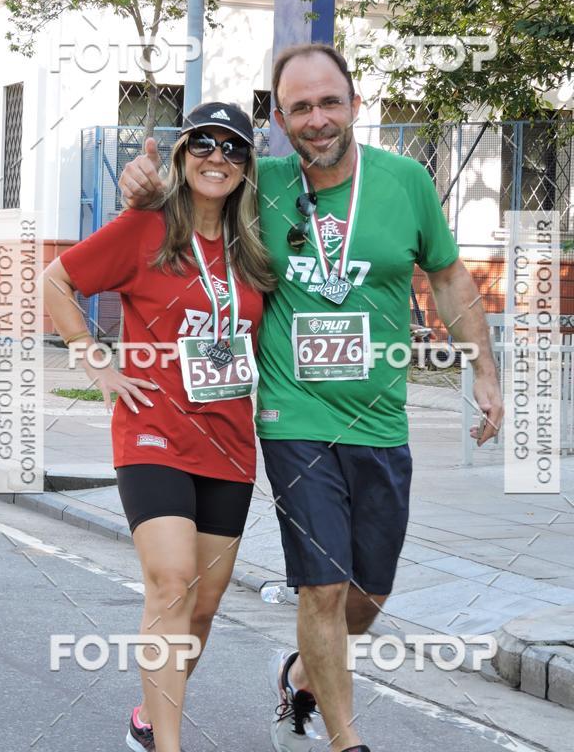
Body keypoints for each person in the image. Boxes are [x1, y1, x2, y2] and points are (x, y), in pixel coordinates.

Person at [119, 44, 504, 752]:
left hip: (381, 422)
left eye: (329, 102)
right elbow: (180, 188)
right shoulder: (255, 183)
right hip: (292, 416)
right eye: (300, 107)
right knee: (321, 588)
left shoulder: (407, 182)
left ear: (355, 105)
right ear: (281, 121)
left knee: (368, 596)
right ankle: (343, 739)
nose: (317, 118)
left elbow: (448, 277)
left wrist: (484, 370)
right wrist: (139, 178)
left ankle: (299, 672)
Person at [44, 102, 276, 752]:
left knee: (201, 608)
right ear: (181, 155)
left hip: (229, 442)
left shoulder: (253, 246)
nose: (216, 156)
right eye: (202, 142)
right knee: (171, 581)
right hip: (152, 432)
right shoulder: (146, 227)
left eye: (232, 147)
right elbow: (56, 281)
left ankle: (149, 714)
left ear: (246, 166)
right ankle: (167, 746)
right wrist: (98, 366)